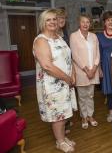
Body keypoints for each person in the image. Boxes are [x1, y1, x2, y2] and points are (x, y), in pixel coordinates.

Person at [33, 9, 77, 152]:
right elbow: (47, 66)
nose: (52, 22)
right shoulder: (41, 40)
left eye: (54, 19)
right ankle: (60, 142)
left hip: (65, 82)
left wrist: (73, 75)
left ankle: (63, 137)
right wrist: (67, 78)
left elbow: (68, 59)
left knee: (64, 113)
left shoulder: (59, 37)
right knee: (58, 115)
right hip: (52, 84)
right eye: (48, 20)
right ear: (43, 22)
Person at [70, 14, 100, 130]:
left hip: (93, 70)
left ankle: (90, 116)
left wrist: (94, 68)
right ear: (79, 23)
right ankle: (84, 117)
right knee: (82, 96)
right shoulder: (74, 36)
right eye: (83, 22)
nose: (85, 24)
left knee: (91, 95)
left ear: (90, 24)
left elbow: (97, 53)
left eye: (88, 22)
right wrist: (87, 70)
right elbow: (75, 55)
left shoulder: (94, 36)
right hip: (81, 71)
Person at [56, 8, 73, 134]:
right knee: (58, 102)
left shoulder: (64, 32)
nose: (62, 20)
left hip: (67, 70)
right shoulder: (50, 34)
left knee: (67, 99)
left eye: (64, 18)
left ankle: (66, 122)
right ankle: (60, 130)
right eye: (59, 18)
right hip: (57, 73)